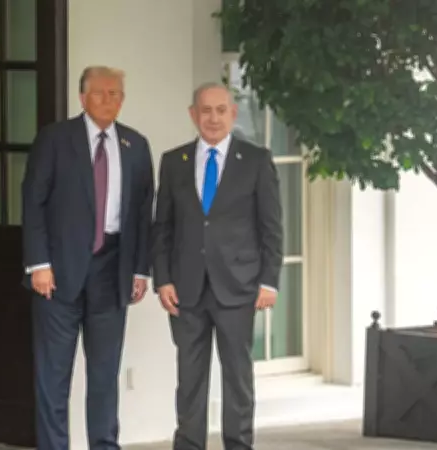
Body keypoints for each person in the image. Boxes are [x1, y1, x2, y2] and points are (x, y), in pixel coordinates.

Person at [21, 66, 155, 450]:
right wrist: (39, 264)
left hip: (112, 271)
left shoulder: (135, 145)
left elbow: (143, 212)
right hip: (58, 272)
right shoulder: (55, 139)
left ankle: (104, 445)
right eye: (100, 93)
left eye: (115, 94)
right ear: (82, 97)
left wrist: (140, 269)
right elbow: (33, 201)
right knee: (53, 376)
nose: (108, 100)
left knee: (104, 376)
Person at [151, 82, 284, 450]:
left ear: (233, 114)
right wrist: (163, 279)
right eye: (205, 110)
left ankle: (238, 445)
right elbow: (162, 227)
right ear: (193, 114)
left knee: (237, 377)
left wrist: (269, 281)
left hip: (239, 287)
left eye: (220, 110)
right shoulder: (174, 162)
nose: (213, 118)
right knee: (189, 379)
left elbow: (271, 226)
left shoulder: (256, 161)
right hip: (186, 289)